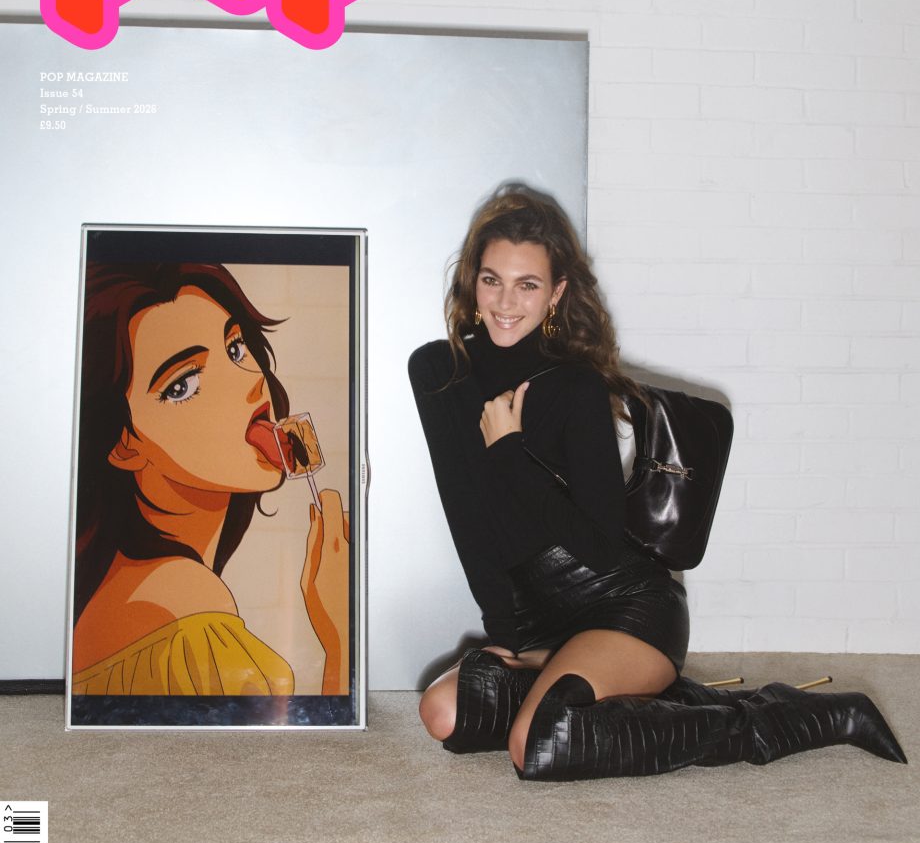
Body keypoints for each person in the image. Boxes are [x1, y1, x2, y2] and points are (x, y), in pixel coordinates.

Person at [409, 188, 905, 780]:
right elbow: (466, 516)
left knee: (534, 746)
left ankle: (799, 717)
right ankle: (637, 698)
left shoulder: (576, 387)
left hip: (626, 610)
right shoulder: (438, 372)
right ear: (472, 281)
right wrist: (504, 635)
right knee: (442, 713)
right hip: (540, 621)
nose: (506, 302)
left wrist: (511, 454)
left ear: (557, 293)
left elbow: (599, 547)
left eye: (528, 285)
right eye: (492, 280)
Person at [72, 262, 349, 697]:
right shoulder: (183, 610)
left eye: (235, 348)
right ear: (124, 444)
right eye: (183, 385)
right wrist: (342, 633)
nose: (250, 381)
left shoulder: (124, 587)